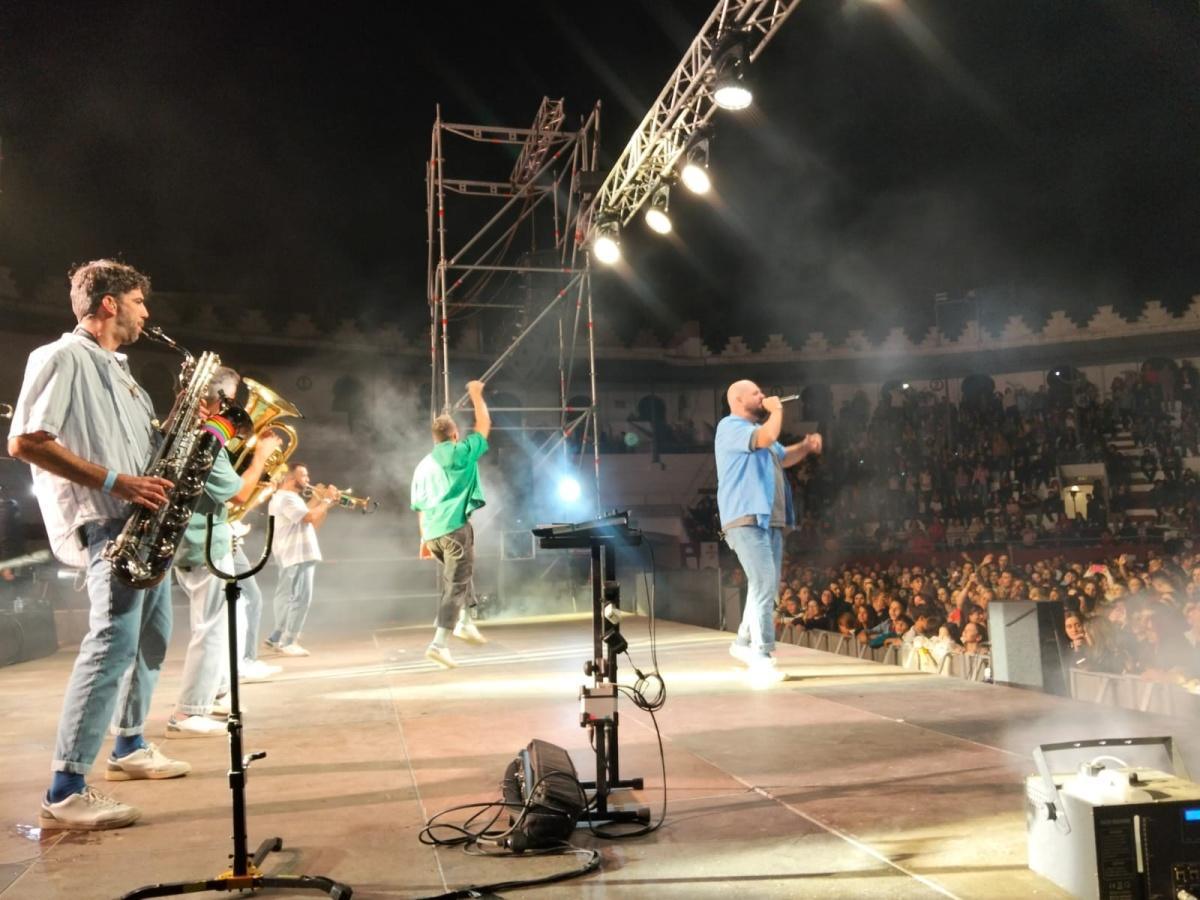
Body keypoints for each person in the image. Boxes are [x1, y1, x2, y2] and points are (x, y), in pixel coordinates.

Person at [8, 259, 189, 830]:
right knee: (111, 646)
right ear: (109, 303)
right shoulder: (60, 357)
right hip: (110, 524)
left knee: (153, 637)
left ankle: (129, 747)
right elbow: (26, 442)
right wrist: (118, 482)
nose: (146, 313)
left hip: (142, 526)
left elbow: (144, 451)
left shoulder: (121, 372)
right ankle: (65, 787)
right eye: (138, 301)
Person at [165, 368, 282, 737]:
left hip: (202, 540)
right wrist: (261, 456)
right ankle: (188, 712)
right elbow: (239, 494)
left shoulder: (182, 435)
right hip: (203, 546)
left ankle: (212, 693)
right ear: (210, 401)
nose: (237, 412)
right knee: (212, 627)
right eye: (231, 403)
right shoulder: (201, 441)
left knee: (225, 622)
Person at [716, 380, 822, 680]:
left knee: (766, 586)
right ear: (737, 399)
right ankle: (761, 653)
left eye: (762, 393)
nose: (762, 396)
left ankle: (742, 642)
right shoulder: (731, 426)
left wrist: (805, 446)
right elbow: (768, 436)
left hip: (769, 519)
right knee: (763, 583)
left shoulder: (756, 433)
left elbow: (783, 455)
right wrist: (776, 410)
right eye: (756, 393)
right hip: (746, 517)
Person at [410, 380, 491, 669]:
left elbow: (419, 507)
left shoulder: (422, 465)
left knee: (460, 576)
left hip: (433, 535)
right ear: (454, 435)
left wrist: (423, 540)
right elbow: (483, 425)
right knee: (455, 585)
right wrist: (476, 394)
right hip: (455, 528)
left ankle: (466, 622)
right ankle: (439, 643)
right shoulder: (461, 452)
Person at [264, 464, 339, 656]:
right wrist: (327, 499)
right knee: (300, 598)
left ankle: (276, 637)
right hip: (296, 555)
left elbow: (310, 519)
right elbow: (308, 517)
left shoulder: (286, 498)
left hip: (293, 554)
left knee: (288, 596)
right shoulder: (287, 498)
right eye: (303, 475)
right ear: (290, 478)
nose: (308, 479)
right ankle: (288, 641)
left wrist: (322, 502)